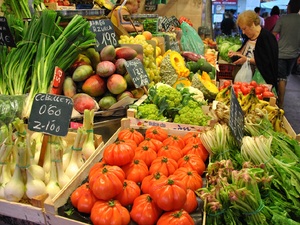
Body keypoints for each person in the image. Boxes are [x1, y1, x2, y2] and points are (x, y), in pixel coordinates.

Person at [228, 10, 278, 91]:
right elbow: (243, 51)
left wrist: (247, 60)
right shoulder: (249, 37)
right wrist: (235, 53)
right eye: (242, 29)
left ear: (253, 24)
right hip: (246, 79)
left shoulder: (267, 38)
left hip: (260, 82)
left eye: (244, 29)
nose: (243, 32)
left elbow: (268, 62)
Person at [272, 0, 300, 108]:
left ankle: (281, 102)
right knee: (285, 77)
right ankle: (281, 100)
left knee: (281, 78)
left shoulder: (283, 18)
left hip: (281, 53)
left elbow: (273, 34)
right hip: (294, 54)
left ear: (289, 7)